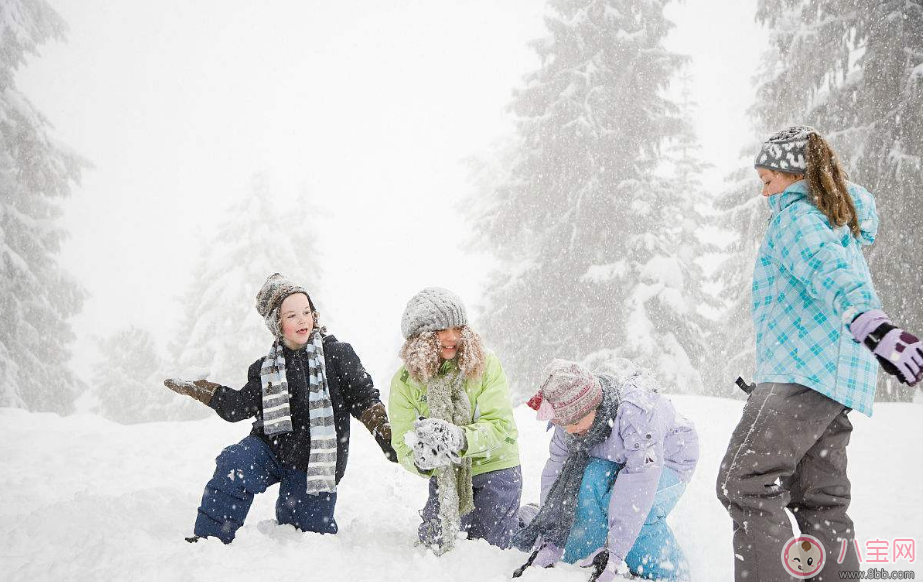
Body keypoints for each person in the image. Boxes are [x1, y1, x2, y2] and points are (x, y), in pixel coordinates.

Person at [716, 126, 923, 582]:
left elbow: (827, 274)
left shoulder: (796, 218)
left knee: (745, 482)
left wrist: (872, 324)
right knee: (821, 500)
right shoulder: (833, 222)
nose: (763, 190)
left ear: (796, 176)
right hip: (835, 382)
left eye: (769, 179)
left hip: (799, 375)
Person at [164, 273, 396, 543]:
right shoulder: (266, 368)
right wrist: (202, 389)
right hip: (270, 449)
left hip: (315, 466)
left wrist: (385, 434)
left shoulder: (338, 356)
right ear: (277, 323)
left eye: (306, 312)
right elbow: (237, 407)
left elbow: (365, 399)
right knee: (234, 463)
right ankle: (208, 542)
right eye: (291, 315)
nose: (302, 320)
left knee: (304, 534)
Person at [514, 359, 699, 581]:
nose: (570, 430)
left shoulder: (636, 414)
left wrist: (615, 555)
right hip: (616, 457)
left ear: (593, 405)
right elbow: (556, 475)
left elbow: (638, 485)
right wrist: (551, 539)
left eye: (576, 422)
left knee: (634, 507)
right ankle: (580, 558)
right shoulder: (569, 418)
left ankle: (666, 571)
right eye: (565, 425)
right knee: (587, 481)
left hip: (667, 460)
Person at [388, 287, 522, 553]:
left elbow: (500, 426)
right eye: (441, 331)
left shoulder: (485, 365)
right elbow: (403, 444)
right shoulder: (405, 383)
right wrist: (422, 460)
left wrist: (458, 439)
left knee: (491, 551)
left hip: (495, 467)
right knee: (436, 549)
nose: (452, 338)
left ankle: (523, 520)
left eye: (458, 328)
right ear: (420, 338)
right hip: (446, 475)